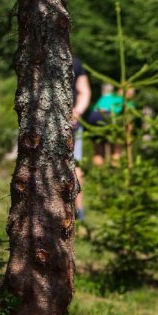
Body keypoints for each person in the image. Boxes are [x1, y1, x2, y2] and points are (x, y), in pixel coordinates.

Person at [71, 56, 91, 220]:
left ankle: (79, 209)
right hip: (71, 120)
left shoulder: (75, 62)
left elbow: (84, 92)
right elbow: (84, 92)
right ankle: (78, 211)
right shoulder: (74, 60)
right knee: (75, 164)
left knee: (75, 164)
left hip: (71, 123)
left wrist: (76, 113)